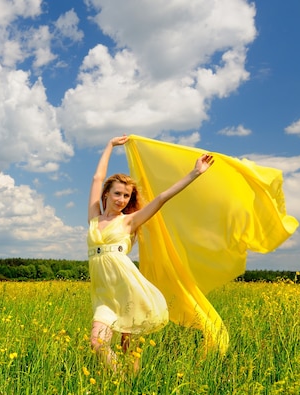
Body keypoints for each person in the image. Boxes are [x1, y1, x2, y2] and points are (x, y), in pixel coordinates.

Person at [87, 134, 214, 373]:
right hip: (104, 296)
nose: (122, 200)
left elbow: (162, 198)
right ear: (106, 194)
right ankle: (120, 380)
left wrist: (195, 173)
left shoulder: (130, 221)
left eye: (126, 196)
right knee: (97, 342)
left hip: (128, 289)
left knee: (129, 349)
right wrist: (109, 146)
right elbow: (97, 178)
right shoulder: (94, 217)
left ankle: (129, 391)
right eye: (117, 194)